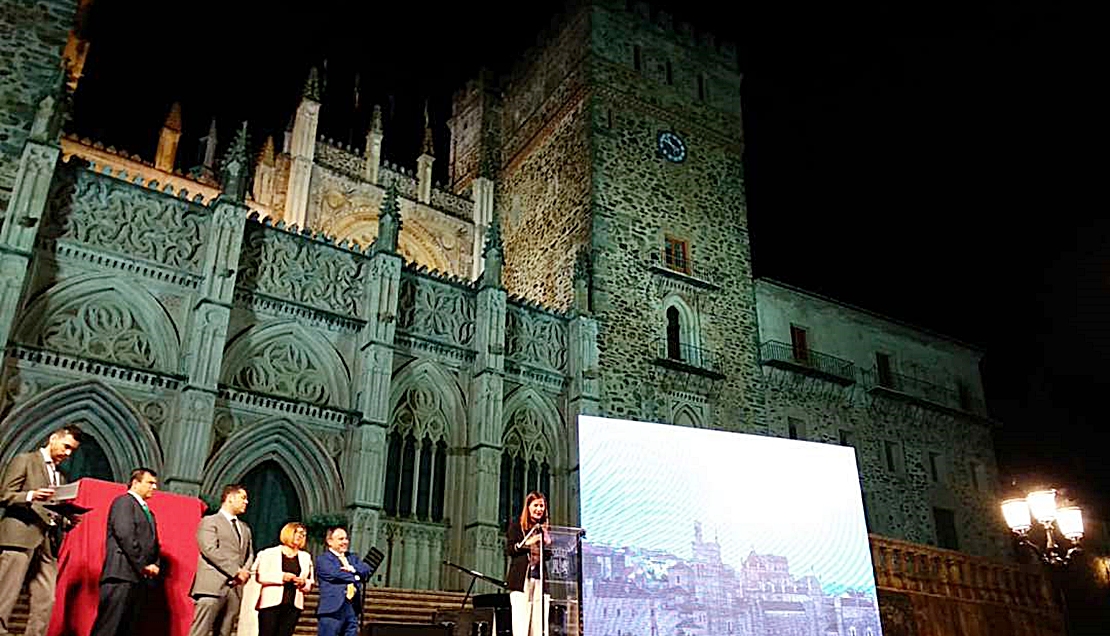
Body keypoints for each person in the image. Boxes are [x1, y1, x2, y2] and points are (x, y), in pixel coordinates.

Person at [0, 425, 81, 636]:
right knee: (6, 593)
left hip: (47, 540)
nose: (68, 453)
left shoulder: (60, 476)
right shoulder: (25, 460)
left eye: (72, 450)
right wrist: (30, 495)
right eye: (66, 447)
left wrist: (67, 520)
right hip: (20, 535)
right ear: (53, 438)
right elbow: (4, 495)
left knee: (46, 598)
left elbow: (51, 508)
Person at [89, 467, 162, 636]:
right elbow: (125, 535)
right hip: (121, 575)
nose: (155, 487)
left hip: (137, 578)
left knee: (126, 628)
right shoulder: (123, 502)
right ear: (135, 483)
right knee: (109, 627)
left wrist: (155, 564)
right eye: (150, 483)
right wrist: (144, 565)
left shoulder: (148, 511)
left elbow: (154, 543)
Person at [188, 484, 254, 636]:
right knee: (200, 631)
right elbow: (210, 550)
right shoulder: (210, 521)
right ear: (230, 498)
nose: (247, 502)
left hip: (234, 589)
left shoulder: (245, 528)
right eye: (243, 498)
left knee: (225, 632)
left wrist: (244, 571)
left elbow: (249, 553)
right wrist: (236, 571)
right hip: (212, 588)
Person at [238, 522, 313, 636]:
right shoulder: (269, 553)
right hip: (270, 604)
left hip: (293, 605)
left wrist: (303, 583)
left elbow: (309, 582)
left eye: (303, 534)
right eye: (296, 532)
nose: (300, 535)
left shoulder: (305, 557)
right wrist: (282, 577)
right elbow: (261, 576)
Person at [505, 491, 553, 636]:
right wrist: (527, 543)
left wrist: (548, 544)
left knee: (538, 626)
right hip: (521, 581)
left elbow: (549, 555)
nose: (539, 509)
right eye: (536, 505)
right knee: (521, 625)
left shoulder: (545, 529)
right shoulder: (517, 526)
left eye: (542, 506)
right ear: (528, 506)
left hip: (540, 580)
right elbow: (510, 550)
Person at [315, 527, 371, 636]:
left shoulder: (352, 558)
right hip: (332, 609)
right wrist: (357, 577)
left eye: (346, 538)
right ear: (330, 541)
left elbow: (366, 569)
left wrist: (352, 568)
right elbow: (335, 574)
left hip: (352, 608)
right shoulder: (324, 559)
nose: (345, 542)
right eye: (341, 539)